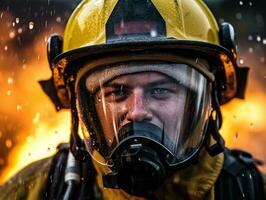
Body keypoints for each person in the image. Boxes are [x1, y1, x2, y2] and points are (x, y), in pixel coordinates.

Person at [0, 0, 265, 199]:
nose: (137, 112)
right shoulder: (35, 191)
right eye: (116, 92)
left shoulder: (251, 192)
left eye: (160, 90)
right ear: (84, 109)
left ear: (208, 103)